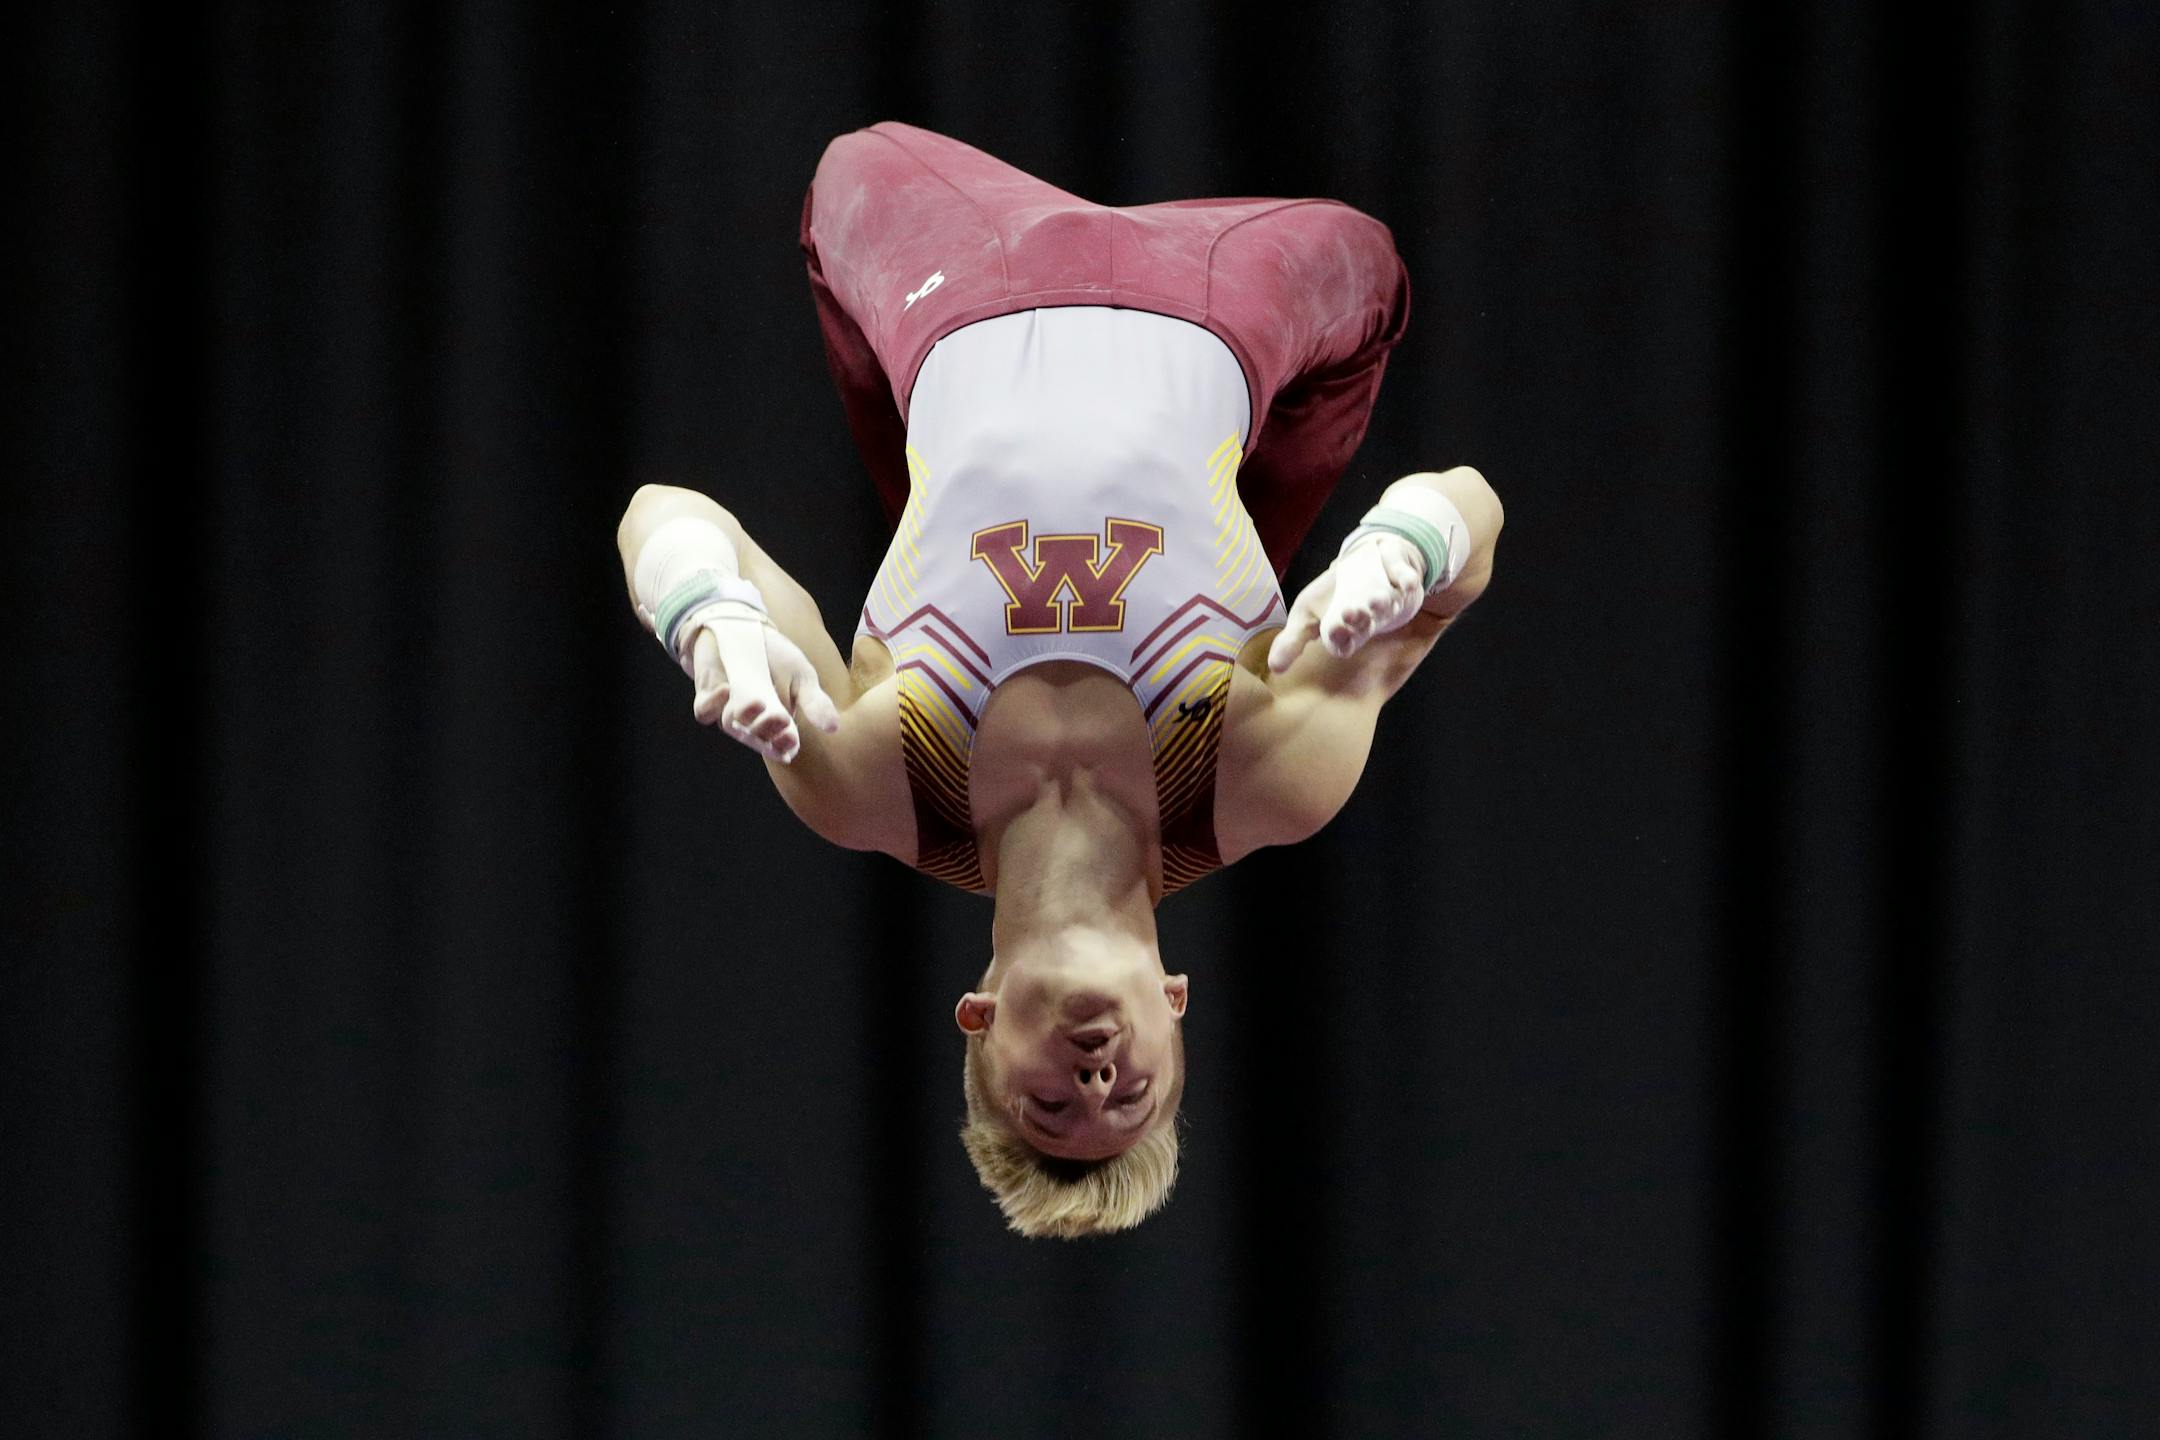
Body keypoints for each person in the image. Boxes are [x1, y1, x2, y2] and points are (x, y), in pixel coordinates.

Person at [615, 122, 1503, 1238]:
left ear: (977, 1021)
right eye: (1133, 1095)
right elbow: (1471, 502)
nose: (1095, 1079)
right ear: (1177, 1015)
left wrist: (711, 616)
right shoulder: (1270, 783)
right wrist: (1403, 550)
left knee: (847, 163)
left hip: (962, 282)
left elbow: (661, 512)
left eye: (1050, 1102)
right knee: (1368, 263)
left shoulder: (869, 788)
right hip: (1225, 301)